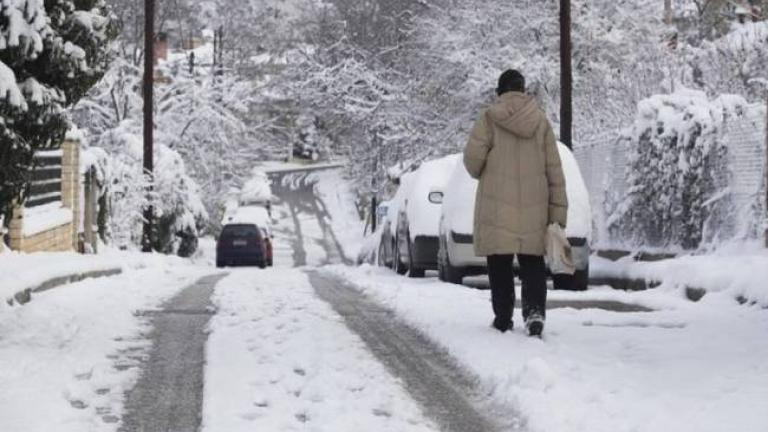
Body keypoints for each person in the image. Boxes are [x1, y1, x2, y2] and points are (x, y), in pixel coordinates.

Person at [463, 69, 568, 337]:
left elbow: (473, 165)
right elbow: (554, 170)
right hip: (534, 206)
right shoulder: (541, 122)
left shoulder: (489, 119)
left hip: (497, 206)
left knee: (499, 262)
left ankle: (503, 317)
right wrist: (558, 212)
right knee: (532, 261)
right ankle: (534, 313)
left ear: (500, 91)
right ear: (523, 91)